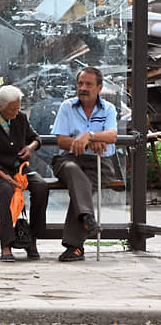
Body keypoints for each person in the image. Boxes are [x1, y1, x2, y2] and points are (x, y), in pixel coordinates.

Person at [51, 66, 118, 262]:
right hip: (69, 159)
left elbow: (112, 136)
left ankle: (76, 246)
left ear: (99, 87)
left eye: (89, 84)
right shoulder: (67, 107)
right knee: (75, 174)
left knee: (82, 187)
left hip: (98, 162)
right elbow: (61, 140)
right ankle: (86, 221)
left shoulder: (108, 109)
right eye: (80, 83)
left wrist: (90, 136)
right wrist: (81, 142)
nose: (83, 88)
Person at [0, 85, 47, 262]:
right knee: (6, 190)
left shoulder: (20, 118)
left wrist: (30, 148)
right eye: (12, 109)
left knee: (41, 187)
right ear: (0, 106)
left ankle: (32, 239)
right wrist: (4, 176)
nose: (16, 113)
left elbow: (36, 138)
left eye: (18, 108)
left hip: (19, 169)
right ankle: (6, 245)